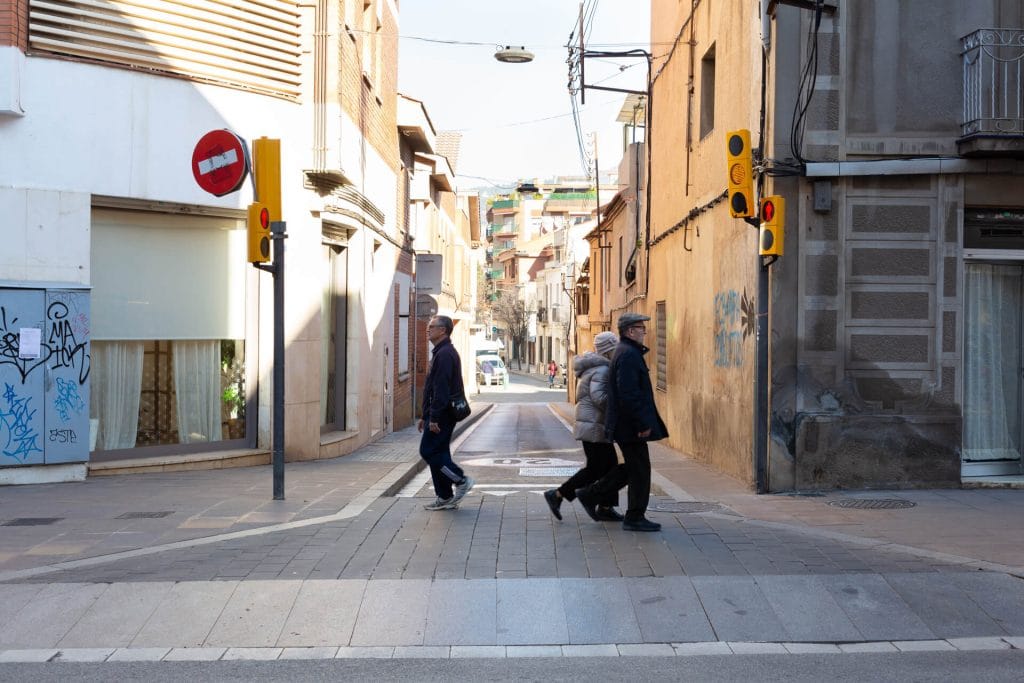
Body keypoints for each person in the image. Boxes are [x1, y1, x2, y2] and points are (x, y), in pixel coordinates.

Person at [576, 312, 668, 532]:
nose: (644, 332)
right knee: (640, 469)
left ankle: (593, 495)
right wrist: (641, 424)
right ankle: (633, 515)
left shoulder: (626, 352)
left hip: (626, 424)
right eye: (640, 328)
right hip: (629, 426)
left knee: (634, 468)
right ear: (629, 331)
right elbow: (629, 393)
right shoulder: (627, 355)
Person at [543, 331, 623, 522]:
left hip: (592, 426)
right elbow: (599, 398)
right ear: (608, 351)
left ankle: (603, 506)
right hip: (594, 427)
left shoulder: (595, 368)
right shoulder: (602, 370)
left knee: (604, 468)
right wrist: (620, 402)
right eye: (614, 349)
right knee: (600, 469)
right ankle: (558, 495)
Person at [418, 315, 475, 510]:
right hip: (437, 414)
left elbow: (441, 389)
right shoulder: (441, 352)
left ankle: (460, 480)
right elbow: (431, 387)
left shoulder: (445, 354)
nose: (428, 329)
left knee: (428, 451)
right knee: (439, 452)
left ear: (443, 330)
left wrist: (433, 417)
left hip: (442, 415)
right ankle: (444, 496)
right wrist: (425, 415)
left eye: (432, 326)